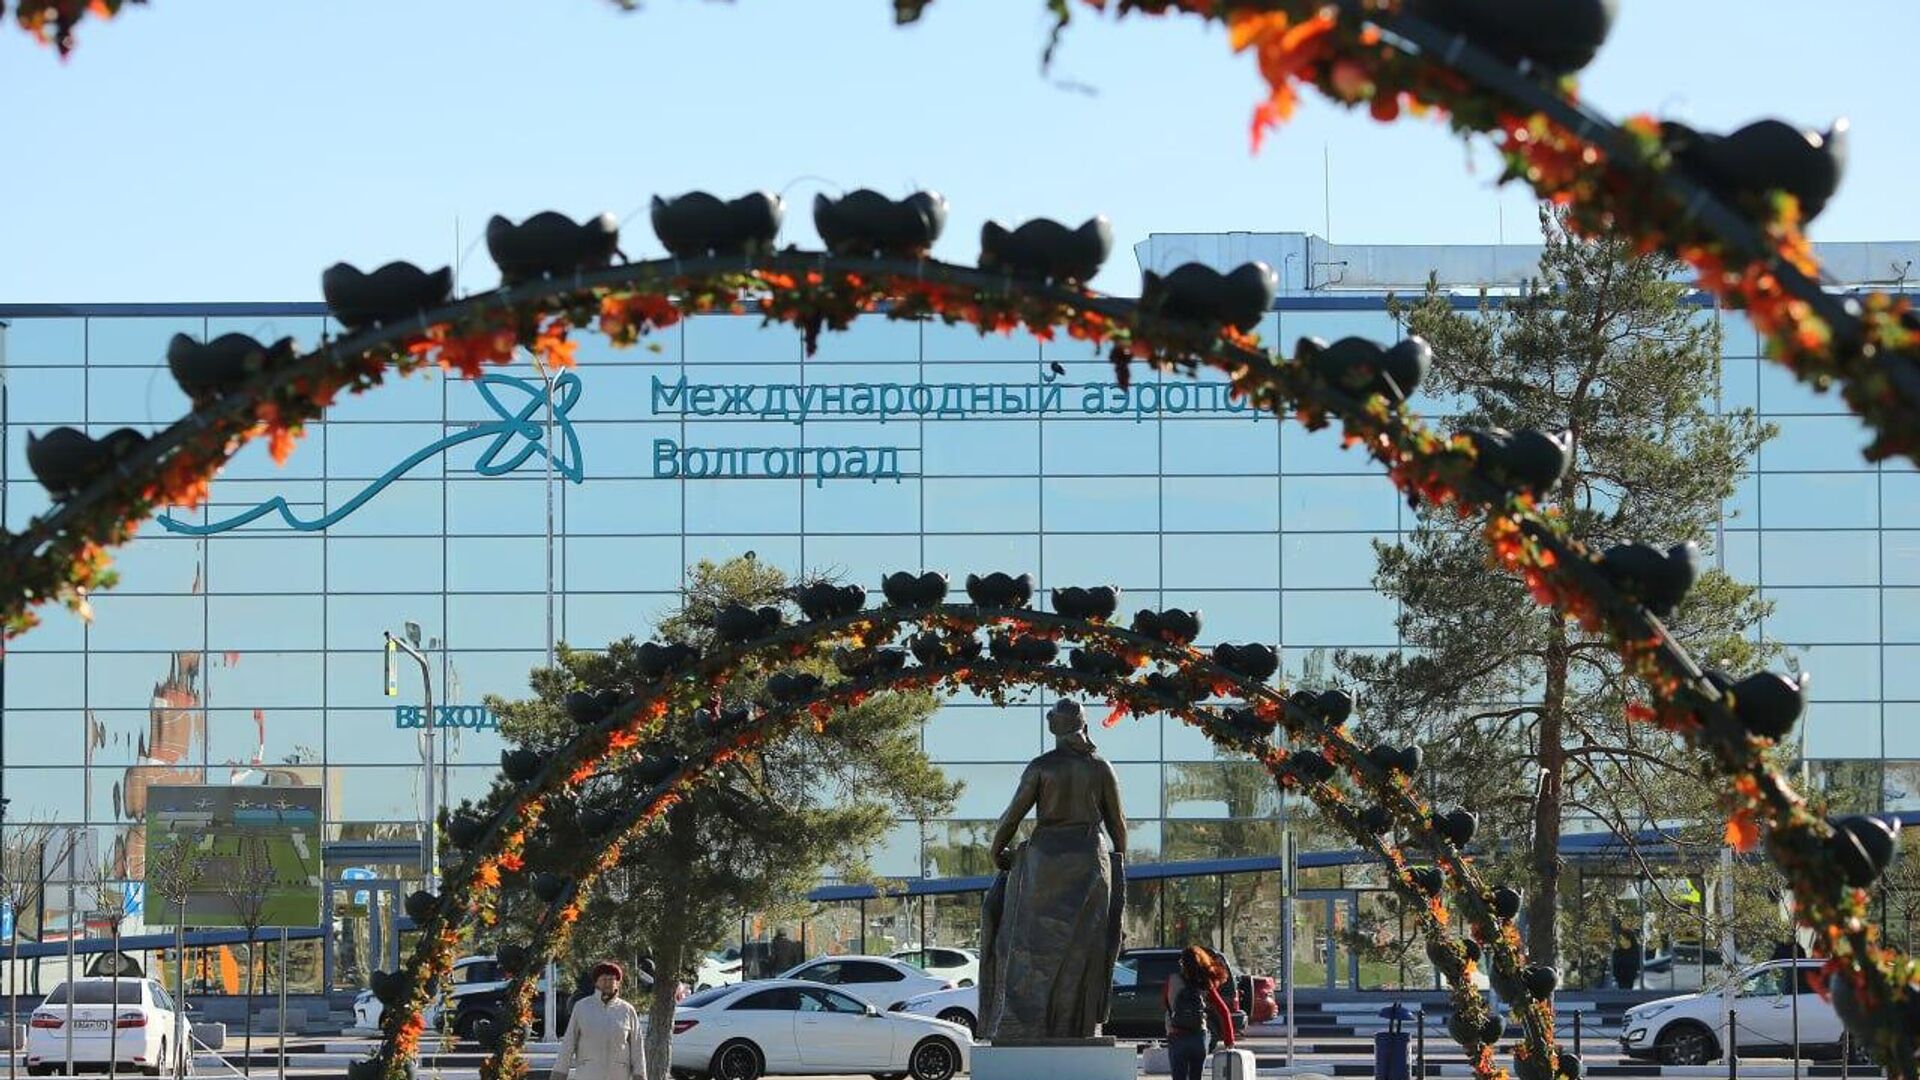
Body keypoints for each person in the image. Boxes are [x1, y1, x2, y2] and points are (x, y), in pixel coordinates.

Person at [978, 698, 1127, 1040]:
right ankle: (1074, 1024)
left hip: (1045, 862)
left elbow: (1012, 815)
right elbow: (1117, 824)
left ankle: (1026, 1023)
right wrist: (1119, 861)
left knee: (1031, 947)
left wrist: (996, 849)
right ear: (1083, 724)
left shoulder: (1042, 767)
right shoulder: (1100, 768)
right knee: (1083, 947)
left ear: (1052, 727)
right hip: (1089, 859)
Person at [550, 961, 645, 1080]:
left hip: (618, 1075)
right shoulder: (582, 1007)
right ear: (596, 982)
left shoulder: (627, 1010)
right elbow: (568, 1043)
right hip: (589, 1074)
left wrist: (639, 1075)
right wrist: (559, 1074)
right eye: (603, 979)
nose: (607, 983)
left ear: (618, 983)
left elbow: (637, 1047)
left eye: (611, 979)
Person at [1163, 946, 1235, 1080]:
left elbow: (1165, 1003)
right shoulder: (1205, 983)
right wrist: (1229, 1041)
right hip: (1198, 1037)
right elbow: (1224, 1011)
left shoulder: (1172, 980)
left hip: (1176, 1035)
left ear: (1182, 963)